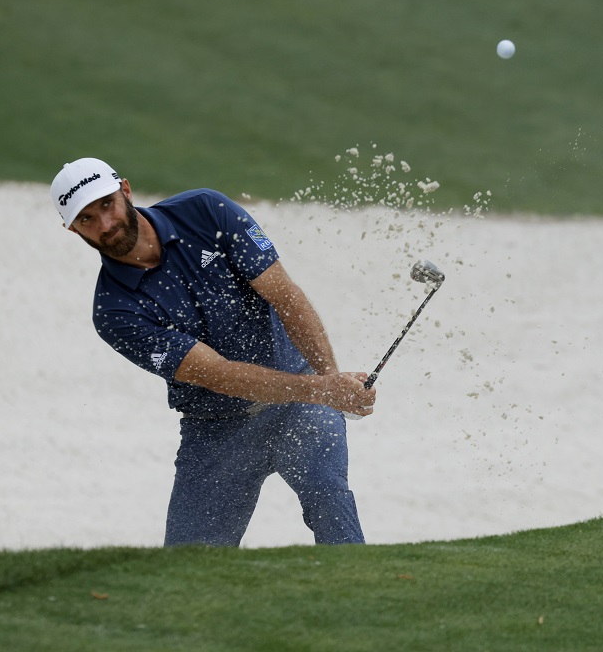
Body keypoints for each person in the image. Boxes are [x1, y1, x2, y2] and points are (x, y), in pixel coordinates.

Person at [50, 157, 375, 547]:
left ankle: (356, 596)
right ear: (71, 229)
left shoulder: (206, 211)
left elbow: (285, 296)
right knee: (189, 566)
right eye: (86, 219)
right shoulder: (114, 311)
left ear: (126, 191)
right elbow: (219, 374)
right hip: (217, 429)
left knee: (328, 497)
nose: (105, 224)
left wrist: (329, 380)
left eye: (106, 205)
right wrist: (323, 390)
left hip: (299, 404)